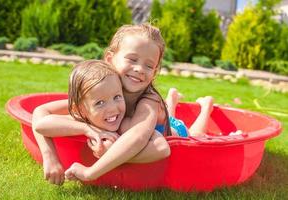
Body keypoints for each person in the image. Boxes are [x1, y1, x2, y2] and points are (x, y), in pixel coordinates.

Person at [33, 23, 212, 183]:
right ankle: (171, 101)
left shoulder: (148, 101)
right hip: (151, 122)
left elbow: (143, 140)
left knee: (196, 134)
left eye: (149, 66)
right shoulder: (103, 88)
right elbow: (41, 113)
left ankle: (205, 107)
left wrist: (92, 171)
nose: (140, 69)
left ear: (155, 72)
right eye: (132, 59)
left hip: (170, 130)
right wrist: (51, 156)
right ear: (110, 59)